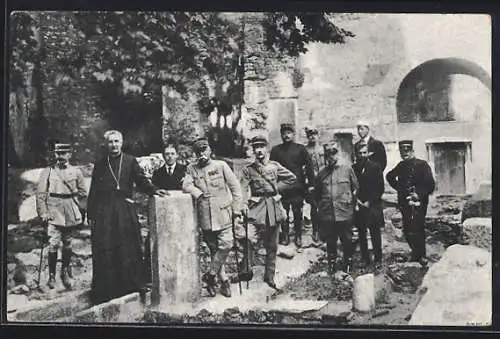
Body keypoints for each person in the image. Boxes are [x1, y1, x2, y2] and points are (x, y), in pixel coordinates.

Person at [87, 130, 168, 304]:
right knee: (106, 247)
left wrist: (153, 189)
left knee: (128, 245)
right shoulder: (100, 164)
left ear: (122, 143)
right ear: (106, 144)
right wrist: (91, 213)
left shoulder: (130, 161)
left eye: (117, 141)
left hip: (124, 210)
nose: (114, 145)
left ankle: (132, 284)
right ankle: (107, 289)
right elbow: (93, 190)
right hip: (104, 211)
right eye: (110, 142)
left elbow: (141, 180)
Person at [182, 138, 243, 298]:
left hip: (223, 213)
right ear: (195, 154)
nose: (201, 154)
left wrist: (236, 210)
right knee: (214, 249)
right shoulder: (192, 169)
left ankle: (210, 275)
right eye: (198, 152)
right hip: (206, 217)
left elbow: (236, 188)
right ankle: (224, 281)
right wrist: (198, 193)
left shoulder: (221, 166)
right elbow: (186, 185)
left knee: (227, 244)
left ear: (210, 150)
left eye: (204, 150)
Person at [236, 134, 297, 290]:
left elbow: (291, 178)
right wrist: (243, 203)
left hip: (272, 205)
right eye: (256, 148)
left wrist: (278, 191)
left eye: (261, 147)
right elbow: (242, 187)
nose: (259, 151)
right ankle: (245, 271)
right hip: (256, 207)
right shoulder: (248, 170)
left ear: (266, 149)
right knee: (248, 237)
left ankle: (269, 277)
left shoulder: (274, 166)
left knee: (272, 244)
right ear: (253, 150)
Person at [36, 142, 87, 290]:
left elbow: (83, 193)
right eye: (58, 153)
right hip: (53, 210)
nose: (60, 157)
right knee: (53, 243)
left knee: (68, 242)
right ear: (55, 154)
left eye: (64, 153)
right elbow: (40, 194)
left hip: (70, 210)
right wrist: (43, 212)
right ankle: (52, 275)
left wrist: (80, 209)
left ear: (69, 155)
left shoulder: (76, 172)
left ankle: (64, 271)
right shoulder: (48, 171)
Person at [386, 140, 435, 267]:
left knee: (418, 227)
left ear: (412, 151)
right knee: (407, 228)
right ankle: (414, 253)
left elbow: (430, 184)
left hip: (419, 202)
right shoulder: (401, 165)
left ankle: (422, 255)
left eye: (407, 151)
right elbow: (389, 176)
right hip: (404, 202)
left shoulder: (422, 165)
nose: (405, 154)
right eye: (403, 152)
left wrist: (418, 193)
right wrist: (399, 189)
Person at [314, 142, 359, 275]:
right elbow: (317, 194)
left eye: (334, 154)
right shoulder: (321, 173)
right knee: (331, 241)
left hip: (344, 212)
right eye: (328, 155)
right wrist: (322, 207)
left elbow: (356, 188)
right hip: (328, 214)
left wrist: (350, 203)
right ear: (325, 156)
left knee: (347, 239)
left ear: (338, 154)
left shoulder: (347, 170)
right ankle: (332, 264)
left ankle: (348, 262)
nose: (331, 157)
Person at [270, 123, 314, 248]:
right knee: (283, 212)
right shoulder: (276, 150)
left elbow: (309, 166)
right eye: (284, 133)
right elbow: (271, 169)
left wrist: (311, 184)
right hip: (282, 187)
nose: (286, 135)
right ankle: (285, 236)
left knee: (297, 212)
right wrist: (273, 186)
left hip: (297, 187)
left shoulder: (300, 149)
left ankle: (298, 236)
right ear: (281, 134)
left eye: (289, 132)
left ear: (293, 134)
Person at [352, 143, 385, 269]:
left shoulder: (375, 167)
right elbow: (351, 186)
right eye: (359, 153)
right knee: (361, 233)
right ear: (356, 154)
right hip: (359, 205)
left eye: (364, 153)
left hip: (373, 205)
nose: (362, 155)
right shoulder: (353, 168)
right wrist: (357, 200)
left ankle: (378, 259)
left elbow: (380, 188)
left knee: (375, 232)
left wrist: (369, 201)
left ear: (368, 153)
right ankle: (365, 258)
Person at [304, 127, 325, 244]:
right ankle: (315, 230)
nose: (312, 136)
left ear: (318, 135)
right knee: (314, 206)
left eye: (315, 134)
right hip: (311, 182)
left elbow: (327, 163)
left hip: (323, 181)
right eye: (310, 134)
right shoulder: (304, 150)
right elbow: (302, 167)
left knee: (324, 205)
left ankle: (324, 229)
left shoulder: (323, 149)